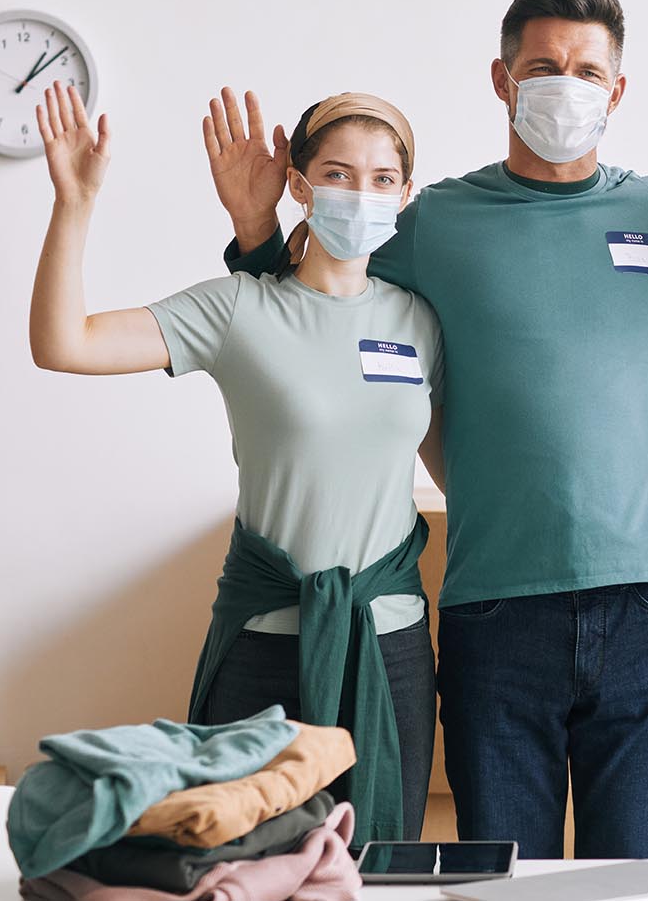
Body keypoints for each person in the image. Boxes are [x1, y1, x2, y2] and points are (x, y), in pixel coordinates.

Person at [213, 0, 648, 858]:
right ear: (501, 78)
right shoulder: (434, 221)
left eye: (589, 70)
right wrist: (257, 223)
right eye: (545, 66)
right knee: (499, 877)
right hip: (498, 612)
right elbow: (310, 304)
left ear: (619, 90)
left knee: (636, 882)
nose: (568, 86)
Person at [29, 82, 440, 846]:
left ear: (406, 193)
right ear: (300, 184)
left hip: (392, 648)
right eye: (340, 173)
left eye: (383, 179)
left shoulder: (418, 319)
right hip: (265, 641)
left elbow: (454, 465)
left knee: (382, 866)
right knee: (237, 863)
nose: (361, 193)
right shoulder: (238, 308)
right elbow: (64, 343)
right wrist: (74, 201)